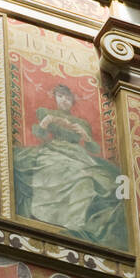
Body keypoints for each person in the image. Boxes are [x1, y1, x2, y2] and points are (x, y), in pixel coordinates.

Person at [13, 84, 127, 249]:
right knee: (62, 172)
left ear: (72, 101)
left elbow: (93, 149)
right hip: (53, 151)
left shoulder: (81, 122)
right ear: (55, 98)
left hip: (79, 155)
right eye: (60, 97)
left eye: (67, 98)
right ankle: (52, 221)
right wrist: (45, 124)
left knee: (89, 178)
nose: (64, 100)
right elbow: (40, 135)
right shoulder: (46, 113)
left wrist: (86, 136)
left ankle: (76, 225)